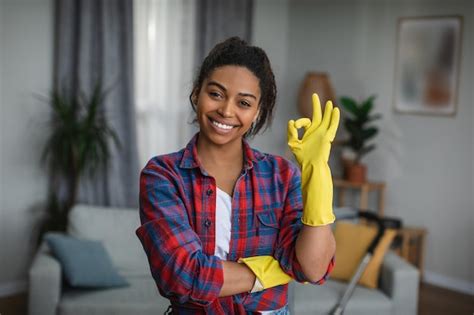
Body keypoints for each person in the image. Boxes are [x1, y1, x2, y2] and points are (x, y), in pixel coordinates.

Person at [136, 37, 340, 314]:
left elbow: (313, 268)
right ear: (197, 93)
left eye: (244, 102)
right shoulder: (163, 175)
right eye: (216, 94)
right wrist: (270, 272)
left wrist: (317, 174)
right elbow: (182, 275)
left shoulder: (281, 175)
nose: (226, 110)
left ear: (257, 112)